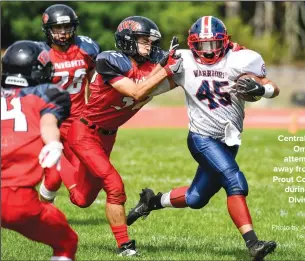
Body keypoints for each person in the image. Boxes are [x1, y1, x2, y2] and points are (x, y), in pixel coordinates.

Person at [126, 16, 280, 261]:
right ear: (192, 43)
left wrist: (263, 90)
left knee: (196, 199)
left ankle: (151, 202)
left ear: (225, 41)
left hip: (229, 140)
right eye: (201, 45)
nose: (207, 51)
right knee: (234, 180)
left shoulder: (241, 58)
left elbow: (271, 85)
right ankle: (253, 244)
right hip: (201, 138)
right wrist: (161, 68)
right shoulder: (184, 60)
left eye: (213, 44)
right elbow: (150, 87)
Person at [58, 16, 183, 256]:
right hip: (85, 132)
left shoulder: (150, 65)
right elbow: (136, 91)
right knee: (115, 186)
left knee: (81, 199)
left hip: (107, 137)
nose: (150, 46)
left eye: (151, 41)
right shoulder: (110, 60)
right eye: (144, 40)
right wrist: (166, 70)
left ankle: (54, 159)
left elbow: (175, 77)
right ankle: (125, 246)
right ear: (128, 41)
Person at [1, 40, 77, 260]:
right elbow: (48, 123)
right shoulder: (45, 94)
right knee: (66, 241)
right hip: (14, 197)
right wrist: (53, 143)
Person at [38, 4, 101, 203]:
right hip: (50, 123)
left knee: (82, 196)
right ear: (48, 30)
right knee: (54, 179)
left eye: (67, 28)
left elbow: (95, 82)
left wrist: (93, 111)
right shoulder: (40, 55)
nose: (63, 33)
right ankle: (43, 213)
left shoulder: (86, 49)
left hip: (78, 123)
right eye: (58, 28)